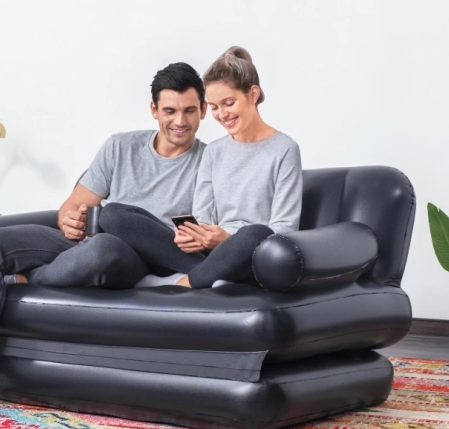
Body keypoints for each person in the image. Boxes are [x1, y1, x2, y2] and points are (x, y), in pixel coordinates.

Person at [0, 62, 208, 421]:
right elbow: (72, 206)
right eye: (170, 111)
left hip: (131, 256)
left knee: (103, 248)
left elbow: (206, 232)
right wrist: (70, 219)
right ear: (154, 110)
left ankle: (25, 277)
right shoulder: (120, 146)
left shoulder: (210, 162)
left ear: (203, 110)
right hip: (82, 243)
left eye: (189, 111)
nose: (180, 121)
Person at [99, 46, 302, 289]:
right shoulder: (213, 151)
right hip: (209, 253)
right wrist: (194, 236)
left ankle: (185, 282)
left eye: (229, 103)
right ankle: (212, 276)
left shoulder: (285, 149)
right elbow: (202, 218)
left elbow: (284, 230)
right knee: (112, 214)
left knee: (256, 233)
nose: (222, 114)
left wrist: (226, 239)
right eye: (214, 107)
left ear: (253, 94)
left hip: (251, 253)